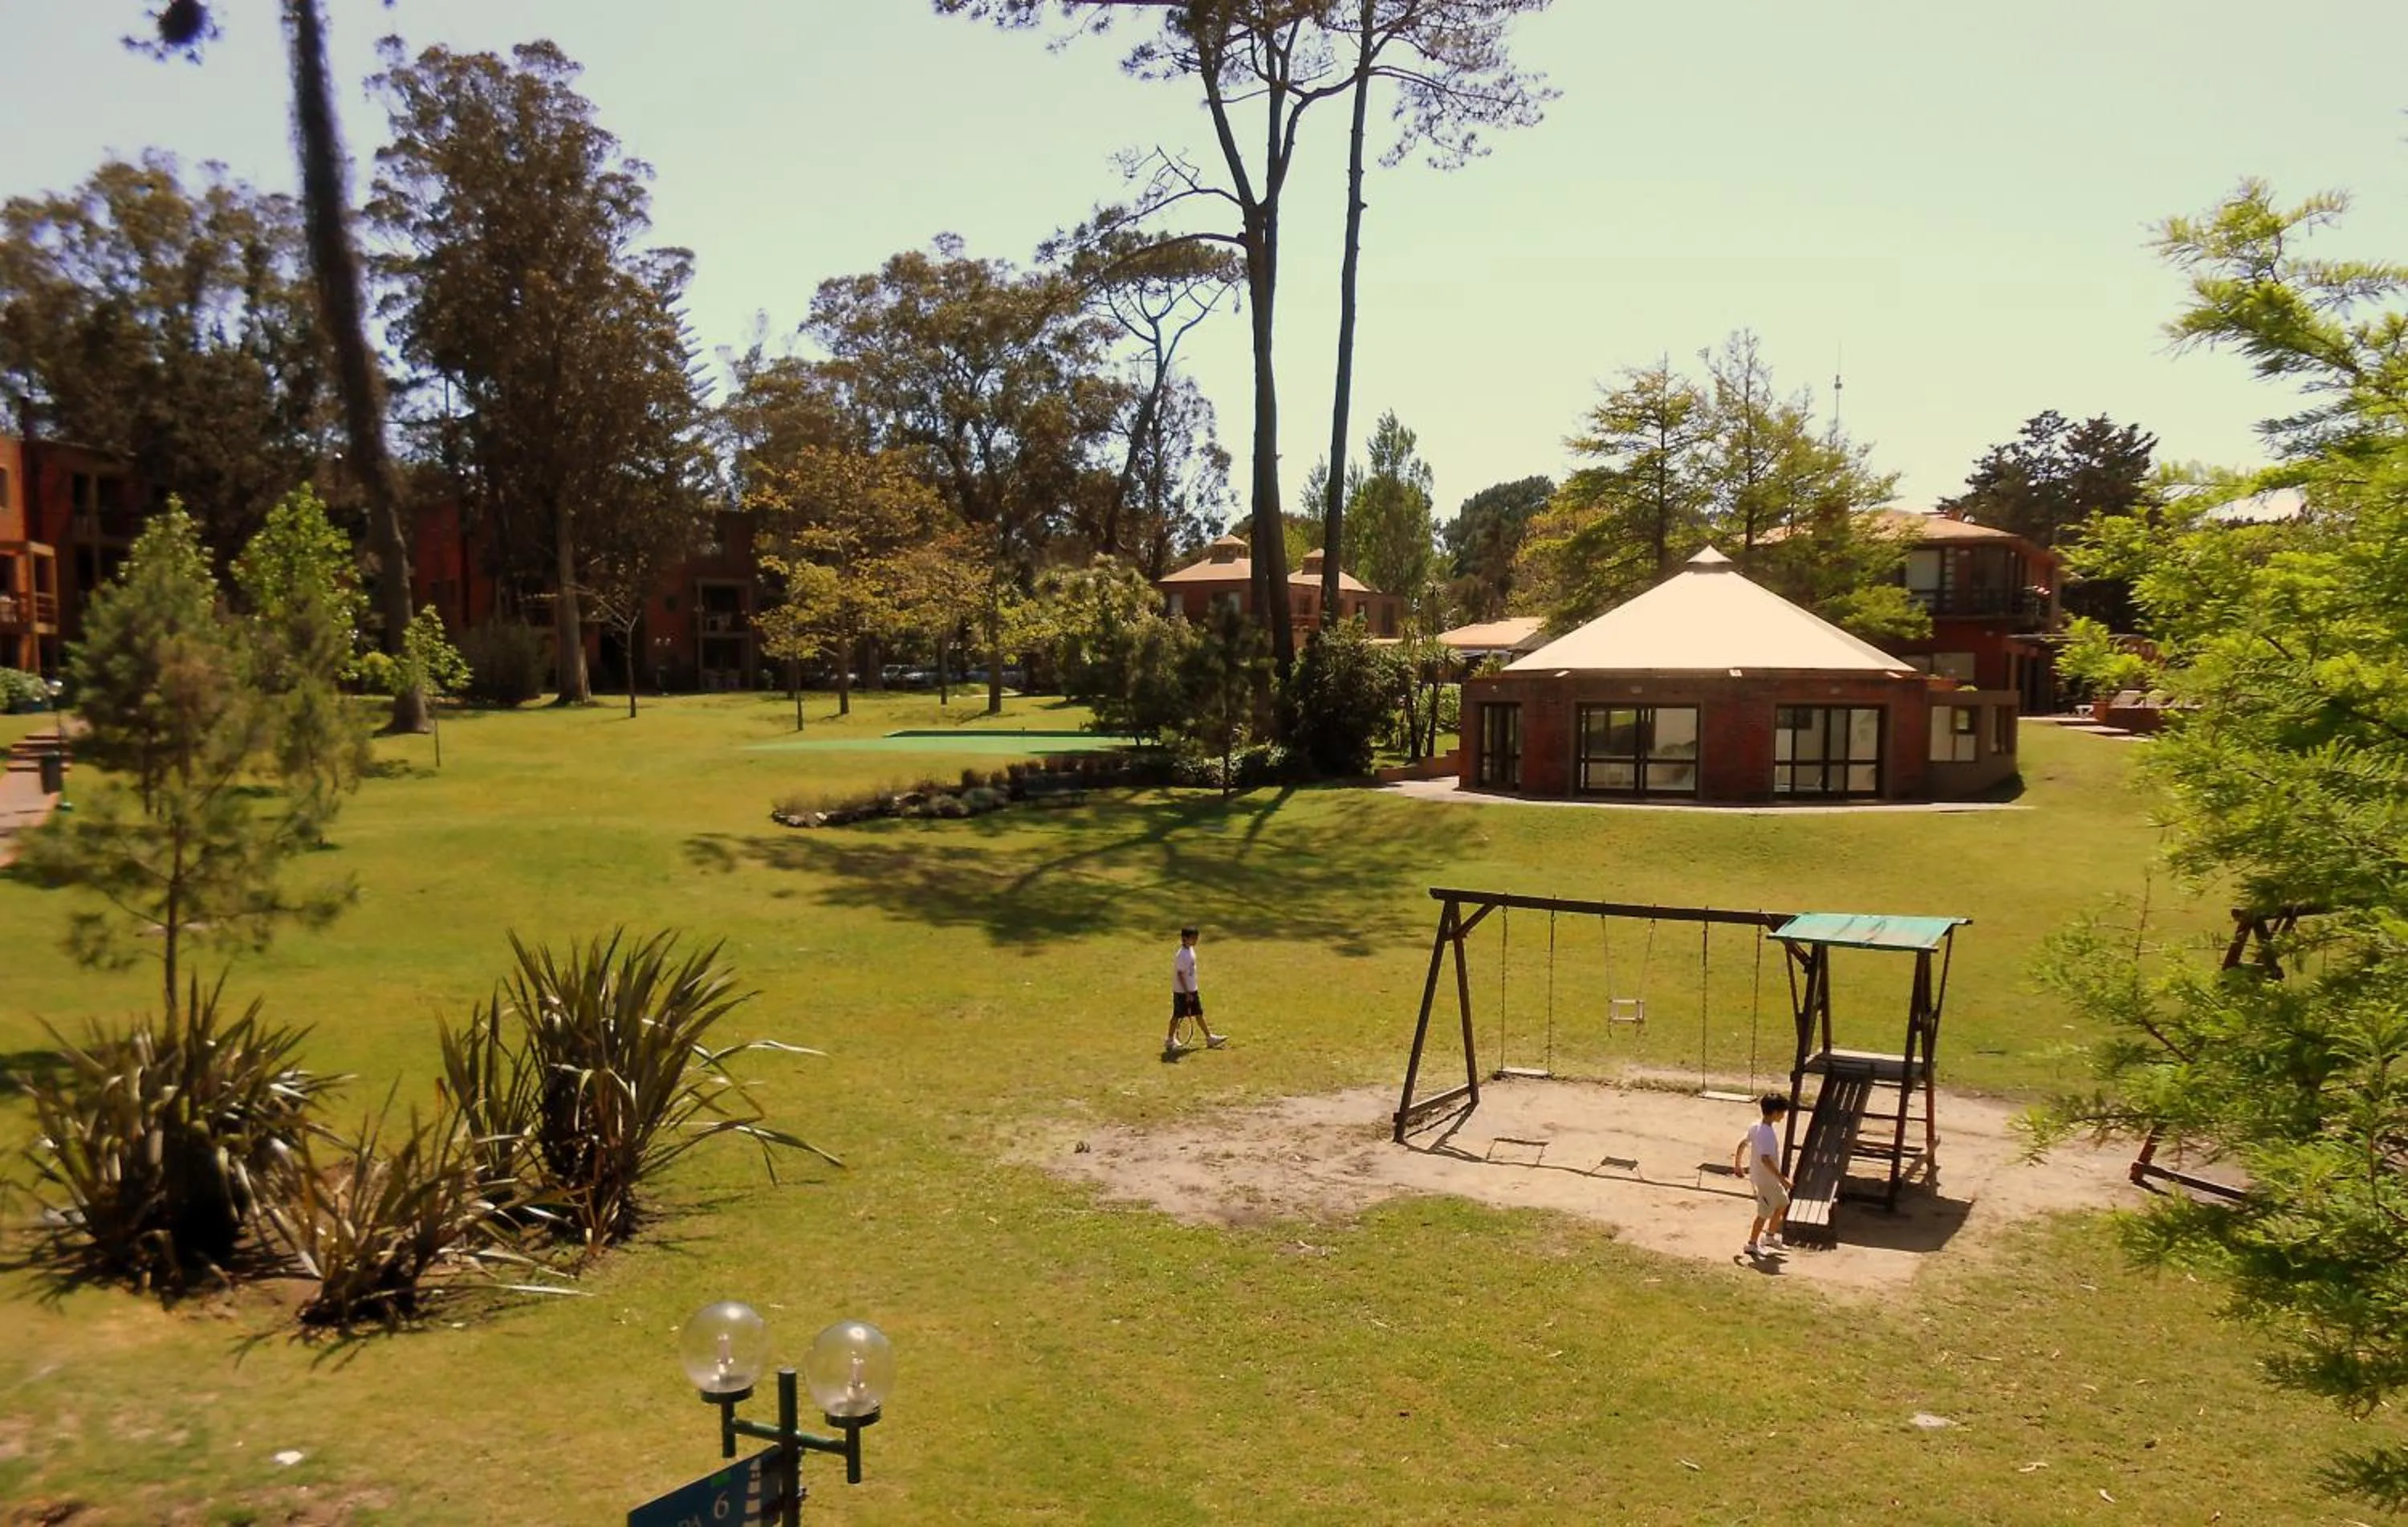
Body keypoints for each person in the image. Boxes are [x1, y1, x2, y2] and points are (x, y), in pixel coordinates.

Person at [1732, 1093, 1792, 1258]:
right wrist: (1782, 1178)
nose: (1783, 1116)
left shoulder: (1756, 1126)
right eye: (1782, 1112)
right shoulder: (1766, 1133)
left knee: (1782, 1203)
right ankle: (1751, 1244)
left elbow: (1742, 1143)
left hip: (1770, 1180)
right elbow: (1765, 1159)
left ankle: (1770, 1238)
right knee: (1763, 1213)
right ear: (1774, 1113)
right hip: (1765, 1180)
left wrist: (1737, 1164)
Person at [1165, 925, 1228, 1059]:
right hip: (1183, 991)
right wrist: (1187, 992)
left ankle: (1209, 1038)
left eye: (1196, 938)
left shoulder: (1190, 950)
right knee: (1177, 1015)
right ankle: (1170, 1040)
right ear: (1184, 939)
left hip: (1192, 989)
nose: (1195, 941)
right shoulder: (1182, 954)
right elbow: (1180, 974)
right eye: (1193, 938)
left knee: (1199, 1014)